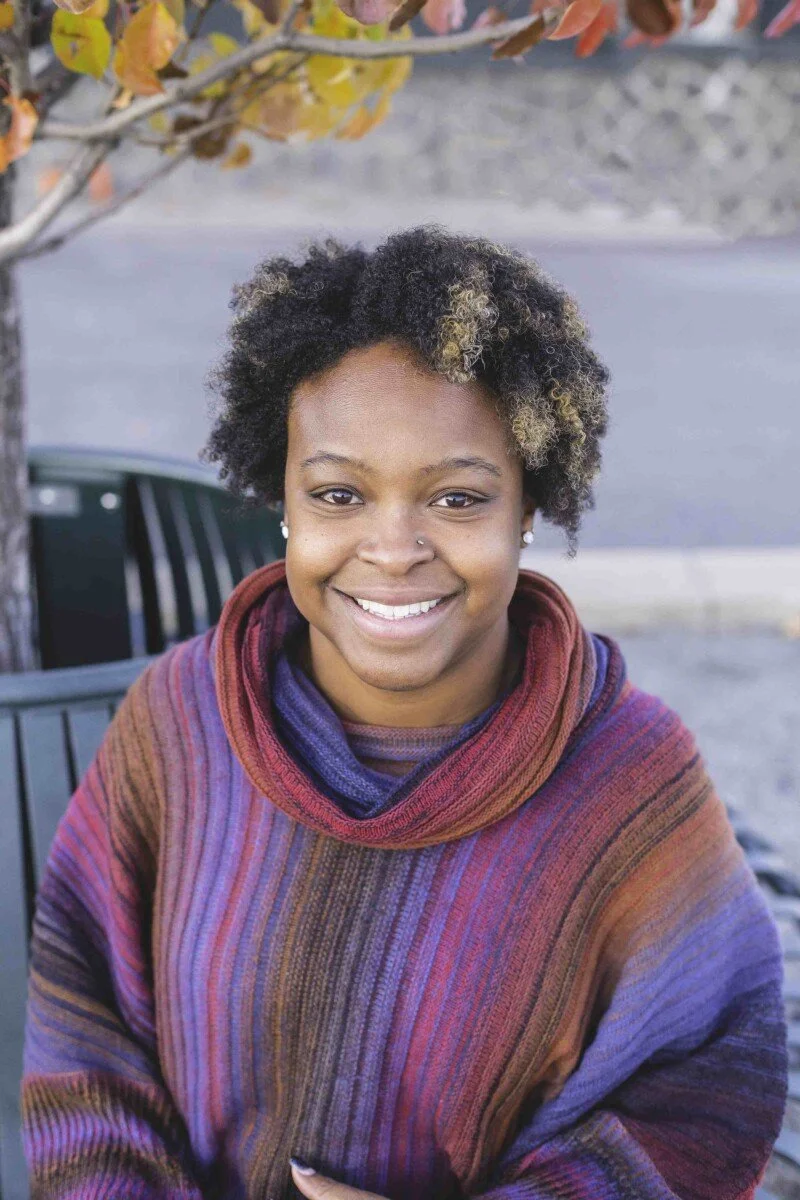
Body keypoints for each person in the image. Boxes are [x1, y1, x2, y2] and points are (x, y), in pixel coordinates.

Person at [21, 226, 787, 1200]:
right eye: (338, 493)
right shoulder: (180, 723)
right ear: (285, 505)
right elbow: (86, 1027)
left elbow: (704, 1086)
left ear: (526, 509)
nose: (391, 549)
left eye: (457, 499)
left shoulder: (625, 778)